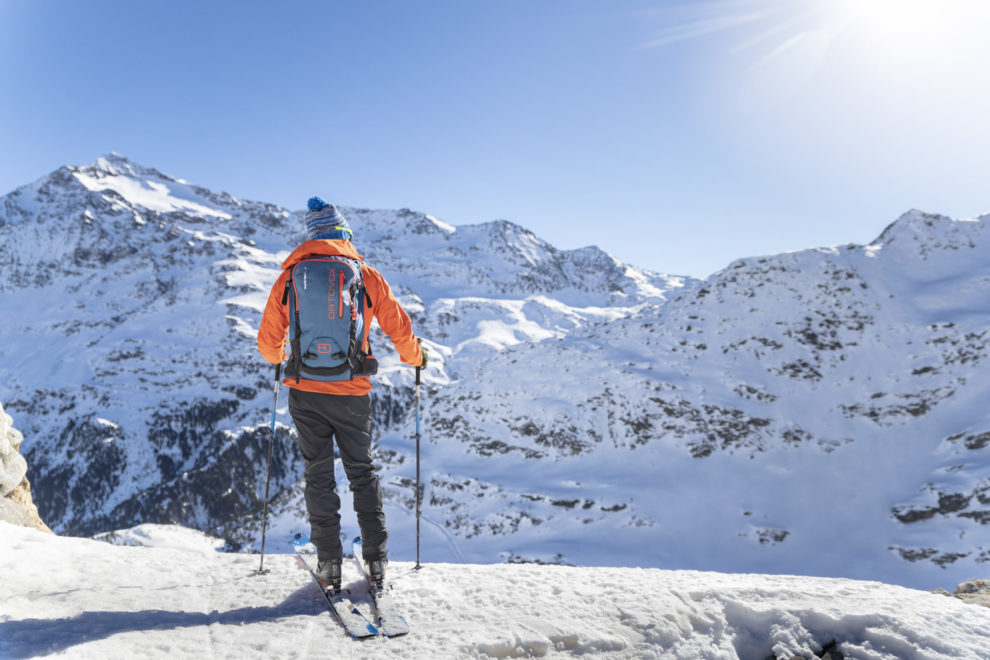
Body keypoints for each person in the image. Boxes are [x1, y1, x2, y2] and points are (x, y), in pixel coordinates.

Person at [257, 196, 427, 591]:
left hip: (305, 392)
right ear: (344, 234)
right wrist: (417, 359)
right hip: (352, 392)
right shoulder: (365, 275)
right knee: (362, 473)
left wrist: (285, 355)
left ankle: (329, 563)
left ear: (313, 237)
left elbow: (268, 346)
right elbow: (399, 329)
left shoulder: (290, 277)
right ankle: (377, 562)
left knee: (319, 476)